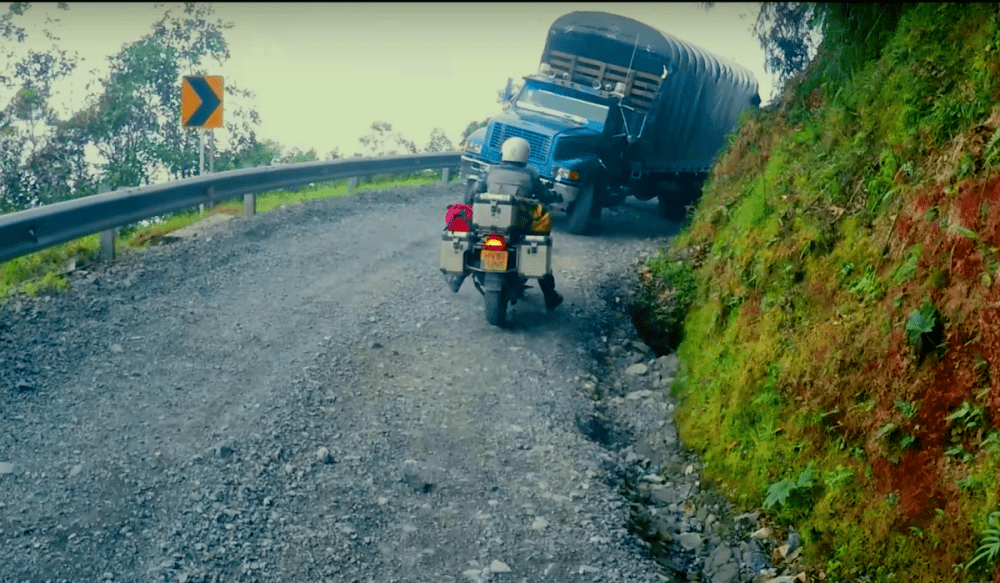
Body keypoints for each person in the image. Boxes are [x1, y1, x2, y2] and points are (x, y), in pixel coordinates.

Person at [447, 137, 563, 310]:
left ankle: (457, 278)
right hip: (518, 227)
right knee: (536, 249)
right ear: (525, 155)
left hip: (487, 225)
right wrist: (554, 197)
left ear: (504, 152)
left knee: (470, 240)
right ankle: (550, 296)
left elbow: (474, 193)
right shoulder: (530, 174)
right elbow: (545, 195)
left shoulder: (490, 171)